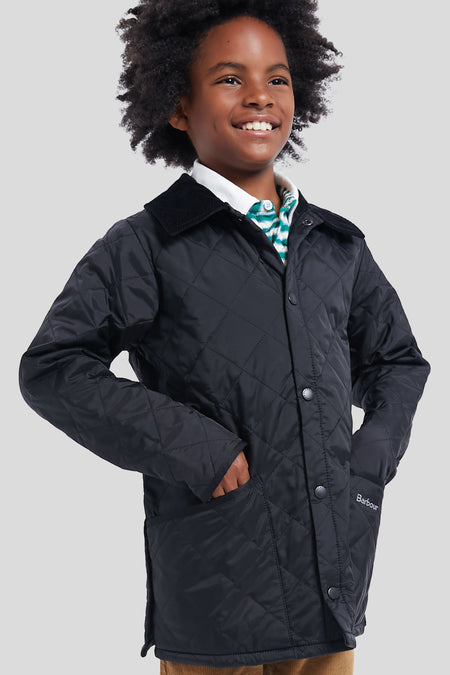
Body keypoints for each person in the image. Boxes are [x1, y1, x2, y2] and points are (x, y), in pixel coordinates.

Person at [18, 1, 431, 674]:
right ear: (178, 105)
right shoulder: (147, 244)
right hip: (216, 589)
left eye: (278, 78)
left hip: (332, 581)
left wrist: (371, 454)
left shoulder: (336, 243)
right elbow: (53, 367)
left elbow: (396, 359)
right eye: (230, 78)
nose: (260, 96)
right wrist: (196, 448)